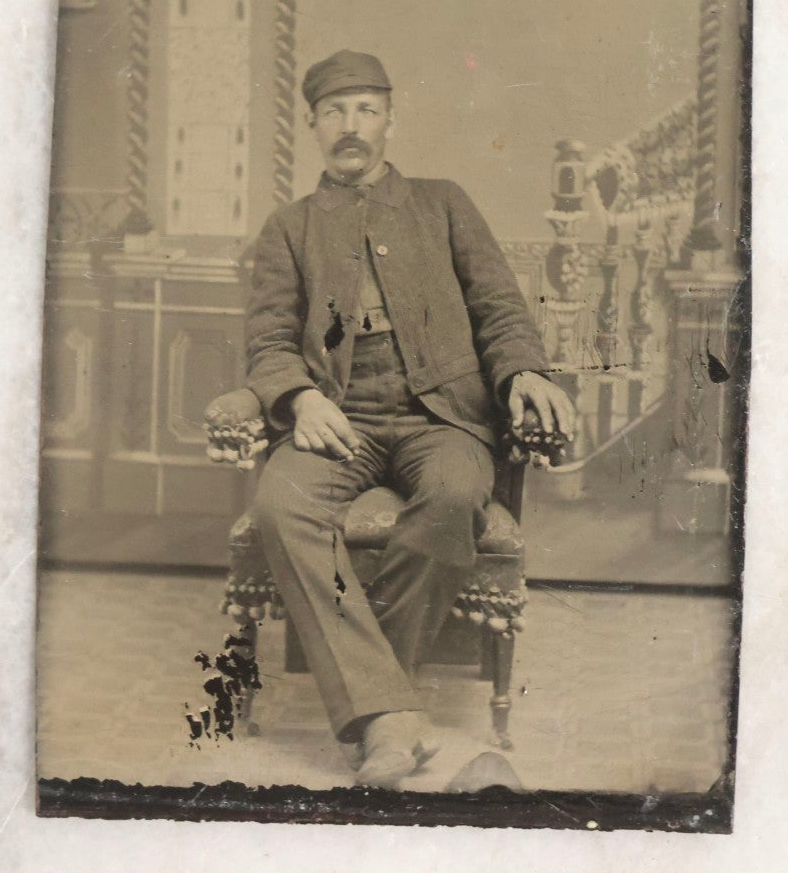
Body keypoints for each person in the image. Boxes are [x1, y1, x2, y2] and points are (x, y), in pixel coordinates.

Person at [244, 49, 576, 786]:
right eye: (334, 112)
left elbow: (500, 307)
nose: (350, 126)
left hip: (442, 417)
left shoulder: (444, 203)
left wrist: (522, 369)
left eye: (365, 109)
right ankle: (396, 717)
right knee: (279, 502)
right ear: (312, 126)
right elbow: (268, 343)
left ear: (392, 119)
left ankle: (379, 714)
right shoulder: (288, 228)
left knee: (457, 494)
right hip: (341, 417)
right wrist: (300, 398)